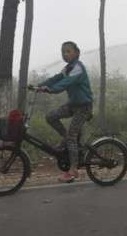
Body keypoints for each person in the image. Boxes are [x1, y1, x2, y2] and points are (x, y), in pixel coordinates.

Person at [33, 41, 93, 183]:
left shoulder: (78, 68)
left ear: (76, 53)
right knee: (51, 117)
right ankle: (66, 140)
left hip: (84, 107)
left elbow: (65, 83)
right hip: (73, 105)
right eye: (63, 52)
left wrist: (51, 89)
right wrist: (39, 86)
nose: (65, 54)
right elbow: (57, 78)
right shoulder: (68, 68)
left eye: (68, 51)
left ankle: (73, 170)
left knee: (72, 137)